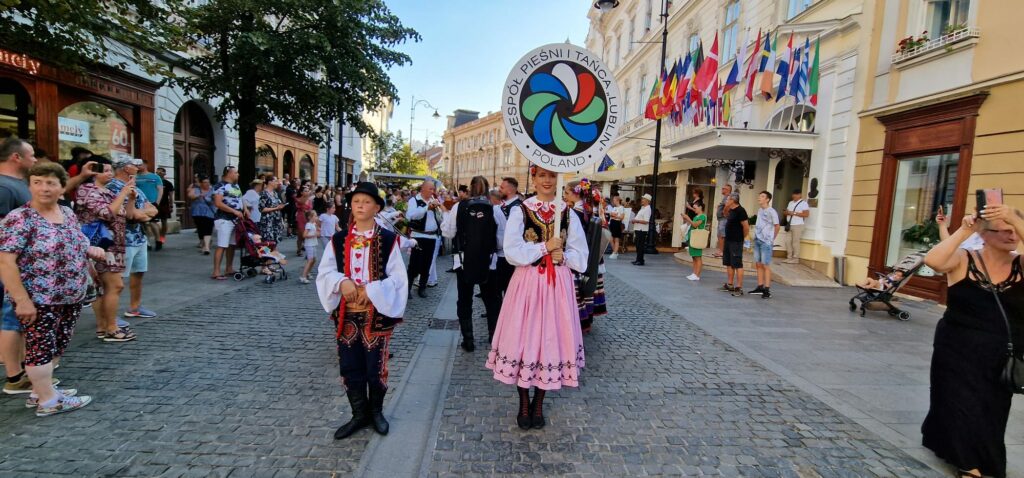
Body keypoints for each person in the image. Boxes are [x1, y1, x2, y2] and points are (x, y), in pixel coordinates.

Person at [921, 204, 1024, 478]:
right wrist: (966, 229)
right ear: (985, 234)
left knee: (993, 409)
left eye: (1015, 231)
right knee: (957, 402)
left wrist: (1014, 216)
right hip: (956, 349)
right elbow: (933, 261)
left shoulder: (1020, 265)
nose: (1011, 235)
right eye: (1003, 230)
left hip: (1002, 354)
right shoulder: (964, 259)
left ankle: (980, 456)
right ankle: (968, 465)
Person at [487, 165, 588, 430]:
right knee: (523, 339)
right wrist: (545, 246)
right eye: (542, 175)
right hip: (528, 285)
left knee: (549, 340)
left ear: (559, 179)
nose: (547, 180)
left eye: (552, 175)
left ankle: (539, 403)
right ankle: (523, 402)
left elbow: (582, 257)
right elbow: (512, 252)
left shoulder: (568, 214)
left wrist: (563, 256)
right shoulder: (521, 210)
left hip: (557, 287)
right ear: (533, 178)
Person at [0, 162, 105, 415]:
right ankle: (48, 402)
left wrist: (92, 249)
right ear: (30, 185)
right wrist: (22, 300)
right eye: (37, 182)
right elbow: (5, 261)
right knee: (40, 347)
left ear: (61, 188)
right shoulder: (19, 218)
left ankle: (40, 390)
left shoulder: (66, 212)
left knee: (58, 343)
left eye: (50, 183)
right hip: (39, 297)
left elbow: (77, 240)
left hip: (71, 294)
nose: (43, 188)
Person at [316, 182, 408, 440]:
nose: (359, 205)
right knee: (349, 365)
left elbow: (399, 278)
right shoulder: (338, 239)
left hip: (375, 316)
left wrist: (372, 291)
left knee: (375, 367)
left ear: (377, 208)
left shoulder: (388, 240)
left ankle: (376, 412)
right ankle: (359, 414)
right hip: (346, 316)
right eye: (356, 201)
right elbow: (325, 271)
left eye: (366, 201)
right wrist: (341, 282)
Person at [75, 156, 136, 342]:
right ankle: (111, 327)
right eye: (106, 170)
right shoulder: (87, 190)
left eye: (111, 170)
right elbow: (107, 214)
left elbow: (129, 216)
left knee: (104, 287)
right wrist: (124, 193)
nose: (110, 173)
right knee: (115, 286)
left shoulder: (108, 192)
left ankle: (103, 327)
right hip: (100, 246)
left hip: (115, 246)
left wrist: (131, 198)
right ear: (93, 172)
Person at [441, 176, 502, 352]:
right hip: (489, 260)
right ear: (487, 189)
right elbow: (502, 238)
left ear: (469, 189)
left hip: (463, 259)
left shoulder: (459, 207)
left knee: (464, 299)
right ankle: (493, 336)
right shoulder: (495, 209)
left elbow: (448, 233)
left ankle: (468, 339)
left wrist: (447, 214)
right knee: (492, 300)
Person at [0, 137, 37, 394]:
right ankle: (14, 377)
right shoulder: (4, 187)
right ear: (16, 157)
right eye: (31, 155)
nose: (34, 159)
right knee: (11, 315)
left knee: (17, 317)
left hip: (21, 263)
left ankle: (22, 365)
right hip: (10, 264)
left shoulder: (16, 184)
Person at [107, 157, 159, 319]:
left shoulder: (134, 186)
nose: (137, 167)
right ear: (125, 168)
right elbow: (131, 215)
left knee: (139, 272)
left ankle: (135, 307)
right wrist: (142, 214)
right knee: (117, 280)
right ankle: (111, 316)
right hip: (122, 240)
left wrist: (143, 214)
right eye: (133, 165)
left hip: (139, 237)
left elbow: (152, 209)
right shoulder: (113, 188)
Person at [565, 179, 607, 334]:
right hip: (591, 255)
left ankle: (579, 320)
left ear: (576, 193)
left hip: (579, 255)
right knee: (587, 287)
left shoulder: (575, 212)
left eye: (567, 192)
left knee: (579, 289)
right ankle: (587, 316)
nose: (565, 195)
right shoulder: (589, 209)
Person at [406, 180, 442, 298]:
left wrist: (438, 209)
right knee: (414, 264)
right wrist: (427, 208)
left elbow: (440, 219)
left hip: (432, 236)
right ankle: (408, 289)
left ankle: (422, 288)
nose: (433, 191)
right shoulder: (414, 200)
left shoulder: (434, 200)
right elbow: (410, 215)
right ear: (423, 189)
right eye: (430, 189)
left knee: (427, 263)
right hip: (418, 236)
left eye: (433, 189)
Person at [211, 166, 245, 280]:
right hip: (224, 219)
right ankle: (216, 271)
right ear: (229, 174)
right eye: (236, 172)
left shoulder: (236, 186)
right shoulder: (220, 186)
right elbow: (218, 203)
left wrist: (245, 209)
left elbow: (240, 199)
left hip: (236, 220)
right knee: (222, 244)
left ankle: (228, 268)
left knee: (232, 245)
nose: (238, 174)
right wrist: (234, 211)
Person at [750, 191, 780, 299]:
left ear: (767, 199)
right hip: (758, 239)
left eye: (762, 196)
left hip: (766, 242)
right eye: (759, 196)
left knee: (765, 265)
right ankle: (760, 286)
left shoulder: (772, 211)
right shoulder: (760, 210)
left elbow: (777, 226)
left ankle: (767, 290)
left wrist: (771, 239)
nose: (759, 198)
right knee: (758, 264)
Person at [720, 193, 749, 297]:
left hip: (736, 241)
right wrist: (726, 207)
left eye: (728, 199)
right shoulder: (731, 210)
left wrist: (742, 238)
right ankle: (730, 284)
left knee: (737, 263)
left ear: (733, 200)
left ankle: (739, 287)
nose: (726, 201)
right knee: (728, 262)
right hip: (728, 239)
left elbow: (746, 226)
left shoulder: (741, 211)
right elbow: (724, 214)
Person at [134, 161, 163, 249]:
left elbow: (160, 189)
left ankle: (158, 240)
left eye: (140, 164)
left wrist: (157, 202)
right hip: (139, 204)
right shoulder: (135, 177)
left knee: (153, 223)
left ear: (145, 165)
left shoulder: (155, 177)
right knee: (142, 223)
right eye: (136, 165)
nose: (138, 166)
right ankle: (147, 242)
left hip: (152, 203)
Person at [188, 174, 216, 255]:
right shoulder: (196, 189)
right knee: (201, 229)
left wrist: (213, 198)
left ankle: (206, 247)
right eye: (204, 182)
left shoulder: (213, 190)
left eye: (208, 182)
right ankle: (204, 243)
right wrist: (199, 195)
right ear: (200, 183)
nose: (207, 184)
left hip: (209, 212)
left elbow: (217, 200)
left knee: (208, 228)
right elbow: (190, 196)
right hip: (198, 212)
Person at [681, 202, 706, 281]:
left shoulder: (702, 216)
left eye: (695, 208)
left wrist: (688, 218)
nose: (694, 209)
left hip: (697, 238)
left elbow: (695, 225)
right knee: (694, 256)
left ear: (700, 207)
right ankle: (694, 273)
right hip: (693, 238)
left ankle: (697, 275)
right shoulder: (696, 216)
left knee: (698, 257)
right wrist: (685, 219)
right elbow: (691, 224)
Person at [783, 189, 810, 264]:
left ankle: (795, 258)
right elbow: (787, 212)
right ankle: (789, 257)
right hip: (789, 224)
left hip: (798, 225)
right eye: (793, 194)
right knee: (787, 241)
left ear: (800, 195)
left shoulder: (803, 203)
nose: (794, 195)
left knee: (795, 242)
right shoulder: (790, 202)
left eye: (796, 194)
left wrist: (794, 213)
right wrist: (786, 212)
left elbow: (806, 214)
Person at [257, 176, 286, 244]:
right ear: (270, 182)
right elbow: (262, 209)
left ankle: (273, 252)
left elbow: (277, 204)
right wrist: (276, 208)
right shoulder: (264, 193)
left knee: (275, 241)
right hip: (268, 221)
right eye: (275, 181)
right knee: (267, 242)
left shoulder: (275, 193)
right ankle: (266, 253)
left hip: (276, 220)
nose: (277, 183)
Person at [154, 167, 175, 250]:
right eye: (157, 172)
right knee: (153, 222)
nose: (158, 174)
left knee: (164, 221)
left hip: (164, 204)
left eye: (160, 172)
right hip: (155, 204)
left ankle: (162, 237)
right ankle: (158, 236)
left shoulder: (168, 183)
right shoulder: (154, 182)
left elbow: (171, 195)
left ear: (164, 173)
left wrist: (171, 205)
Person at [299, 210, 319, 284]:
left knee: (314, 260)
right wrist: (313, 235)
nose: (316, 217)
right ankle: (303, 276)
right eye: (315, 216)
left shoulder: (313, 224)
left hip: (313, 244)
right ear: (310, 217)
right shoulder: (308, 225)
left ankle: (308, 273)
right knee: (310, 260)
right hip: (309, 244)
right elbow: (304, 235)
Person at [631, 194, 652, 266]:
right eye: (642, 199)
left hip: (641, 230)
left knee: (640, 246)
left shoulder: (647, 209)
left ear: (647, 201)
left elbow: (646, 221)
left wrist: (636, 221)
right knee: (638, 245)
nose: (642, 200)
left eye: (643, 199)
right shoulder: (643, 208)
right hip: (638, 229)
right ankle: (638, 259)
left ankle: (640, 260)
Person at [714, 184, 734, 258]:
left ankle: (721, 252)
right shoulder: (725, 197)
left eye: (724, 188)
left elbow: (728, 206)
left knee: (722, 235)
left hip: (724, 219)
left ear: (727, 190)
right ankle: (720, 251)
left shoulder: (728, 197)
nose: (722, 189)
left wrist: (724, 213)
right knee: (719, 235)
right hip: (721, 219)